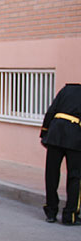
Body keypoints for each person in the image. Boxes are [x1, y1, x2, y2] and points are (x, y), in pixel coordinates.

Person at [40, 83, 81, 225]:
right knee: (75, 176)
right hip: (75, 136)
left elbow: (51, 110)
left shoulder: (67, 89)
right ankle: (70, 215)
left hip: (55, 133)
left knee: (51, 174)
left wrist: (45, 132)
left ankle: (51, 212)